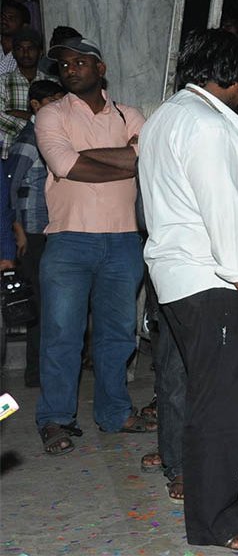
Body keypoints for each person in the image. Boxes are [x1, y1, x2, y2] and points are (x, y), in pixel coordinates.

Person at [139, 28, 238, 551]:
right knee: (220, 404)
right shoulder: (207, 127)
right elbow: (224, 217)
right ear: (231, 77)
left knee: (237, 397)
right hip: (215, 281)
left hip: (187, 279)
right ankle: (214, 521)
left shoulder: (167, 116)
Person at [34, 37, 153, 456]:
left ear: (100, 68)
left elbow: (146, 161)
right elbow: (65, 166)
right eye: (64, 64)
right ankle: (55, 419)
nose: (70, 69)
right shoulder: (50, 114)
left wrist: (91, 159)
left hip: (123, 240)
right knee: (62, 336)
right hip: (68, 239)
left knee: (117, 336)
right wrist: (123, 159)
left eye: (80, 61)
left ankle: (115, 413)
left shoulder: (130, 114)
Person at [5, 80, 65, 387]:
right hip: (32, 229)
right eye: (53, 102)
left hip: (44, 227)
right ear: (36, 106)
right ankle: (36, 373)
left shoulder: (46, 135)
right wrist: (17, 230)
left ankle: (43, 371)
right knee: (39, 305)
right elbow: (10, 184)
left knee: (48, 303)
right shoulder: (29, 138)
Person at [1, 28, 56, 155]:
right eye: (20, 49)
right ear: (13, 53)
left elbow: (59, 118)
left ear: (40, 52)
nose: (25, 53)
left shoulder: (53, 83)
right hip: (8, 153)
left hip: (45, 156)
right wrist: (33, 120)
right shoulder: (3, 81)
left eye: (31, 48)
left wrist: (17, 114)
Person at [0, 0, 30, 76]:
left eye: (11, 18)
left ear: (24, 26)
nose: (4, 20)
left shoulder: (27, 53)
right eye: (2, 16)